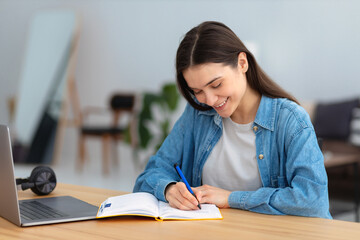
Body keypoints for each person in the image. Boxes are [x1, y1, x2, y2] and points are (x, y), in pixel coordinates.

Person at [133, 21, 332, 219]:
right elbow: (150, 175)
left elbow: (312, 201)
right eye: (197, 91)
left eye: (216, 84)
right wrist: (168, 189)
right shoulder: (198, 113)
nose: (209, 100)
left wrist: (231, 198)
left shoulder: (290, 120)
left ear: (242, 63)